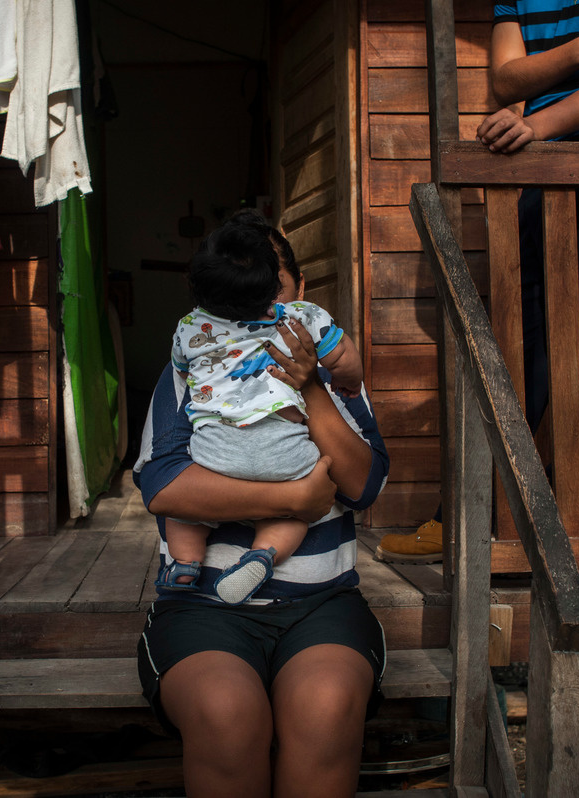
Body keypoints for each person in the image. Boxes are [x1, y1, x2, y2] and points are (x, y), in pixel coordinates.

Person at [375, 0, 579, 563]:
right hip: (534, 178)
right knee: (515, 353)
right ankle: (473, 514)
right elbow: (504, 80)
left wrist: (532, 126)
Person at [134, 212, 390, 796]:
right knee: (226, 714)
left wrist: (309, 385)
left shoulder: (335, 377)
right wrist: (294, 497)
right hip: (202, 609)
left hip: (320, 603)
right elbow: (164, 486)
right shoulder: (194, 367)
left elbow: (365, 484)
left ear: (297, 290)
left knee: (325, 709)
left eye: (276, 280)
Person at [161, 216, 364, 605]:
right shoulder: (300, 316)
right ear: (276, 287)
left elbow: (183, 368)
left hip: (215, 454)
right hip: (285, 451)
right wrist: (349, 382)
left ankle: (186, 561)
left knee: (185, 515)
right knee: (293, 514)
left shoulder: (189, 325)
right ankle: (264, 553)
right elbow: (344, 358)